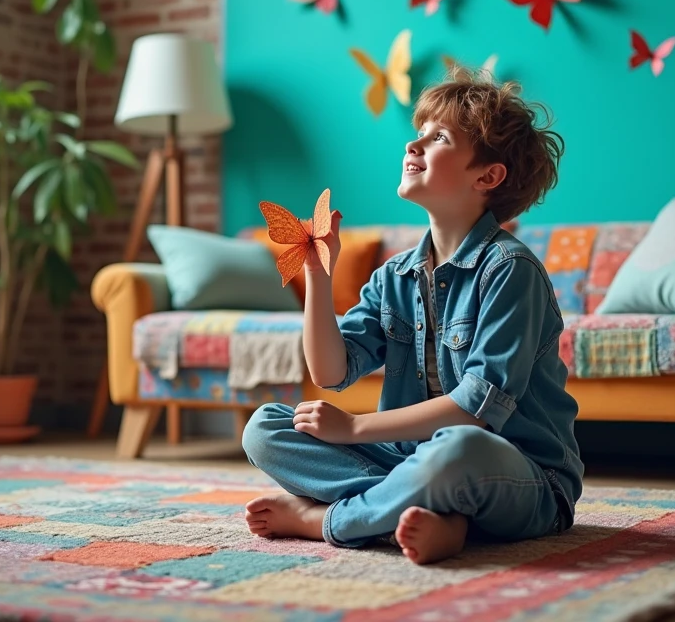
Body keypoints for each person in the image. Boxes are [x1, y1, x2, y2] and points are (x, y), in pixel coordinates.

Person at [241, 71, 583, 565]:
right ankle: (435, 517)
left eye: (438, 137)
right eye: (419, 130)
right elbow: (331, 373)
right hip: (410, 462)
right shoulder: (394, 276)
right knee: (265, 428)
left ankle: (328, 519)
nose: (413, 143)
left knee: (456, 450)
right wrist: (318, 276)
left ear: (486, 177)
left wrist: (355, 429)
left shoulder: (511, 270)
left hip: (518, 473)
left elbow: (475, 411)